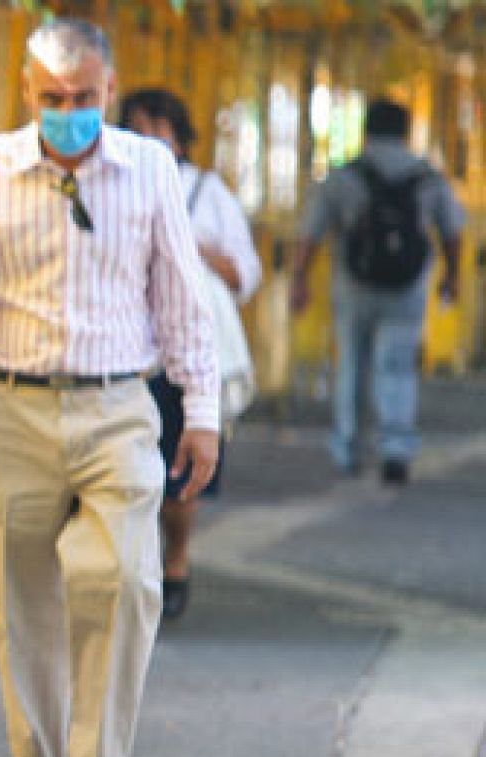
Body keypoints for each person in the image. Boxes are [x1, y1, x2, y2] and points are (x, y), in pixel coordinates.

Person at [0, 19, 218, 757]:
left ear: (109, 91)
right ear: (26, 90)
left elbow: (184, 300)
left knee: (124, 578)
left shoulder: (151, 170)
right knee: (25, 603)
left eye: (83, 98)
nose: (68, 112)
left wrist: (202, 411)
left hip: (120, 407)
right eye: (52, 98)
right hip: (11, 407)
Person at [120, 87, 262, 619]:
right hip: (127, 351)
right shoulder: (110, 188)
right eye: (136, 128)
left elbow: (246, 274)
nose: (149, 139)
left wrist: (189, 246)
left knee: (181, 472)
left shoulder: (207, 193)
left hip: (187, 348)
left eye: (159, 128)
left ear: (179, 134)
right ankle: (137, 566)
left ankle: (175, 557)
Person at [291, 97, 464, 486]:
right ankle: (395, 447)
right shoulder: (428, 177)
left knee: (352, 361)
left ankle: (349, 447)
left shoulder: (343, 176)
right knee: (398, 363)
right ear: (406, 131)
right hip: (407, 286)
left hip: (354, 283)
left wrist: (300, 280)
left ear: (366, 130)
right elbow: (452, 233)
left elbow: (310, 233)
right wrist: (452, 277)